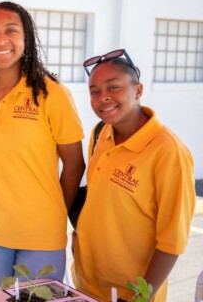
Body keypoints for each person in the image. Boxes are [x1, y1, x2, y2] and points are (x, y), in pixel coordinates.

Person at [0, 1, 86, 289]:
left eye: (11, 31)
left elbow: (75, 164)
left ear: (26, 38)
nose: (1, 40)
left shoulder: (53, 94)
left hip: (41, 235)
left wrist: (54, 213)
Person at [72, 49, 195, 301]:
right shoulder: (100, 132)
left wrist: (141, 296)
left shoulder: (169, 152)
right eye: (95, 92)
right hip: (85, 284)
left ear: (137, 91)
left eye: (113, 87)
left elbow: (172, 240)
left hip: (131, 293)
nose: (103, 97)